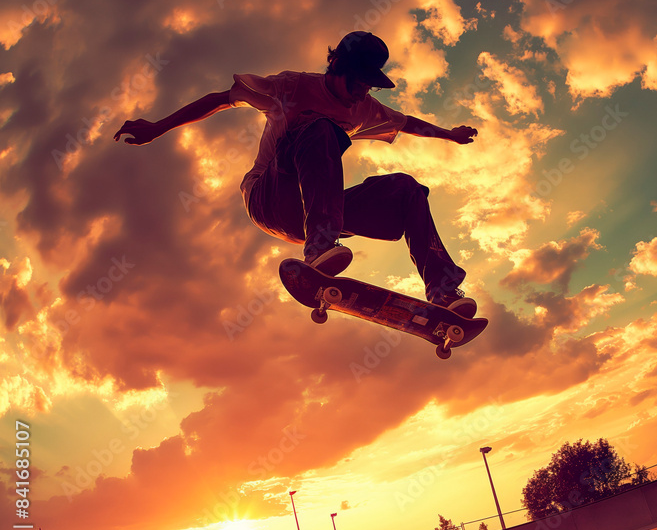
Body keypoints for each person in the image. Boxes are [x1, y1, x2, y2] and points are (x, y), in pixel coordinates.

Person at [114, 31, 478, 317]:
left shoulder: (364, 108)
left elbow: (407, 122)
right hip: (267, 197)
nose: (362, 92)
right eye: (358, 82)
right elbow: (220, 99)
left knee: (407, 189)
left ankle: (443, 290)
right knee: (318, 127)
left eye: (369, 85)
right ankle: (320, 246)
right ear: (336, 67)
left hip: (316, 209)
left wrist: (450, 134)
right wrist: (157, 128)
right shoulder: (292, 87)